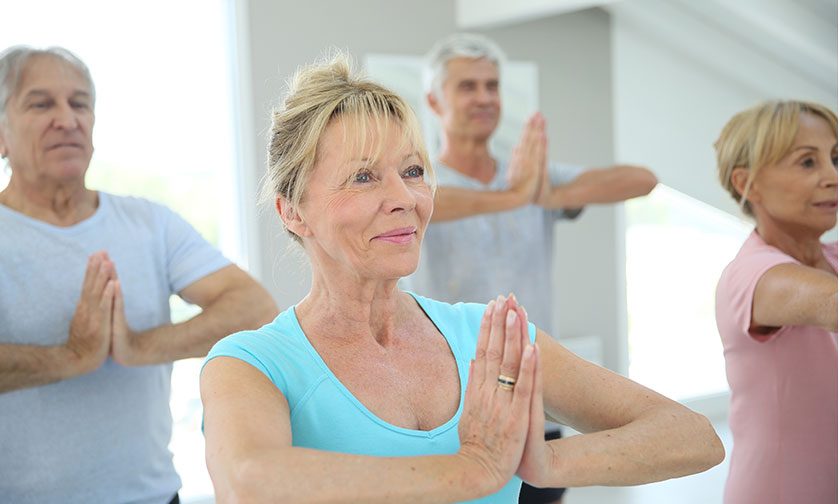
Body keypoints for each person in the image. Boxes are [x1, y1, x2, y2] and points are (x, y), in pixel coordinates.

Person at [199, 52, 724, 503]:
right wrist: (472, 468)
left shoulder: (487, 337)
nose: (405, 198)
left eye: (412, 171)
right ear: (293, 212)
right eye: (363, 177)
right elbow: (248, 482)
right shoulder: (249, 364)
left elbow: (693, 436)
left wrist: (545, 462)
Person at [0, 45, 278, 503]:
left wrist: (138, 346)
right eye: (41, 103)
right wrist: (69, 357)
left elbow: (254, 308)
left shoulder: (150, 223)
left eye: (79, 103)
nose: (67, 120)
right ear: (2, 133)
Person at [406, 33, 659, 504]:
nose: (484, 97)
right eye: (467, 86)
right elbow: (430, 201)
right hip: (451, 405)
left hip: (535, 402)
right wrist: (513, 198)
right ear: (434, 101)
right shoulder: (417, 183)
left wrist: (548, 194)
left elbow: (642, 180)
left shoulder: (531, 178)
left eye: (492, 86)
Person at [714, 100, 838, 504]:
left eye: (836, 158)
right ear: (747, 183)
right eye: (808, 162)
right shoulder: (751, 275)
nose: (833, 176)